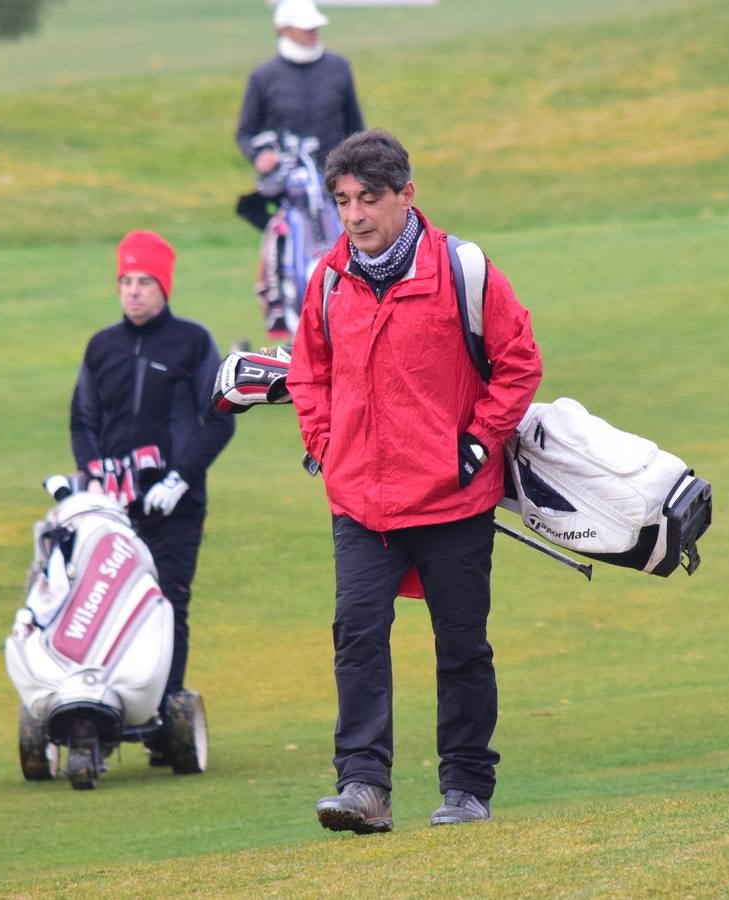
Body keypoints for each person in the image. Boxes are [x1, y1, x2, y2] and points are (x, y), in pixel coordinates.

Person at [286, 129, 544, 832]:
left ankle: (465, 787)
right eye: (342, 201)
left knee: (462, 644)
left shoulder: (466, 269)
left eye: (369, 199)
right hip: (360, 502)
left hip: (453, 500)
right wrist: (324, 442)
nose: (355, 216)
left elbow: (519, 363)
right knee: (357, 635)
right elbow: (307, 371)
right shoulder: (329, 278)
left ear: (407, 194)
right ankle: (364, 789)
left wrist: (479, 444)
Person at [68, 230, 235, 762]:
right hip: (113, 505)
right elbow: (83, 420)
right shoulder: (102, 347)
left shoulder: (191, 342)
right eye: (126, 282)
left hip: (175, 504)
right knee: (103, 603)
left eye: (144, 282)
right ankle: (104, 703)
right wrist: (93, 478)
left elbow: (218, 416)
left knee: (166, 603)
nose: (134, 292)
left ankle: (163, 712)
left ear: (164, 286)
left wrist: (180, 477)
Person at [234, 0, 364, 231]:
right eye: (306, 28)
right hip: (287, 187)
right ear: (283, 30)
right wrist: (258, 156)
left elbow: (356, 128)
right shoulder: (263, 77)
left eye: (314, 27)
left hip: (336, 181)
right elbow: (245, 133)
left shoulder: (339, 68)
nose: (313, 32)